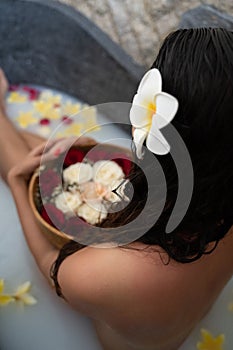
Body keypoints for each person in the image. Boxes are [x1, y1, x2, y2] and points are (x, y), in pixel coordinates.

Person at [1, 27, 233, 350]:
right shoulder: (221, 192)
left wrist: (14, 183)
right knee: (58, 161)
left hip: (112, 328)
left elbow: (52, 268)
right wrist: (91, 147)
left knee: (36, 175)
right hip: (177, 321)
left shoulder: (115, 272)